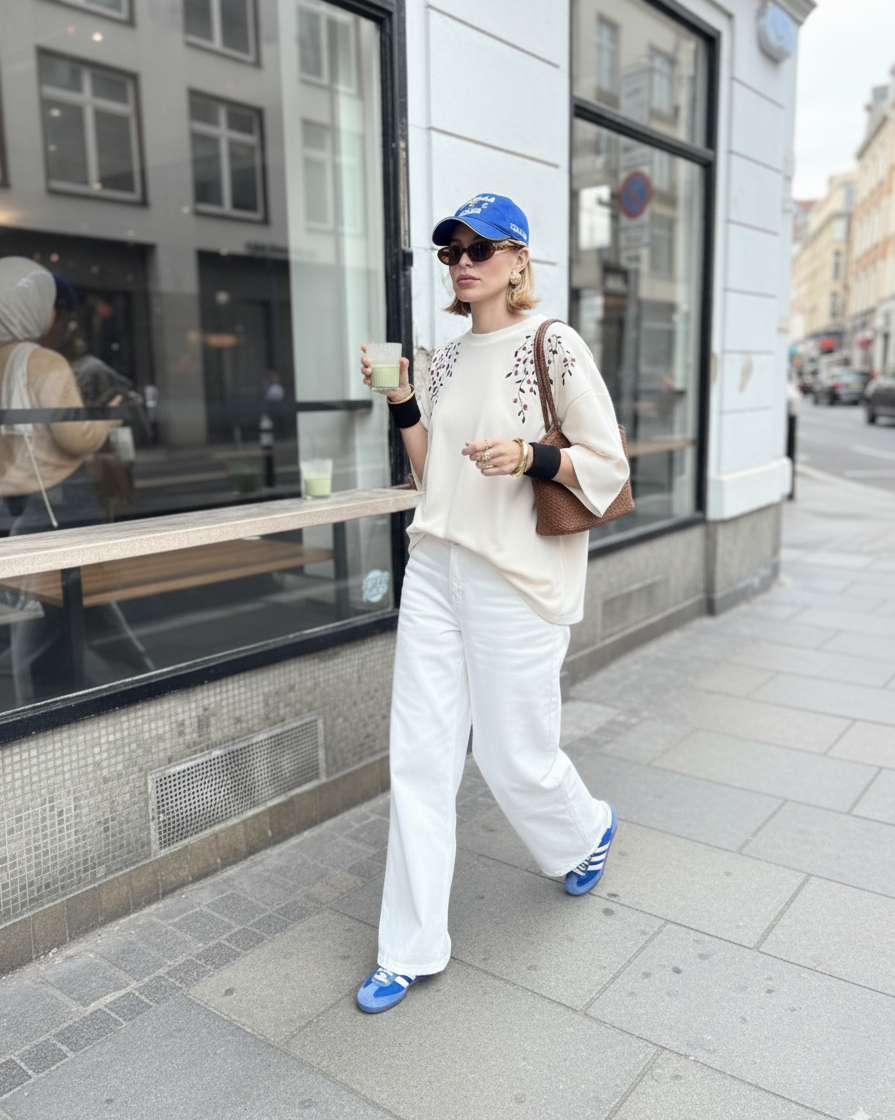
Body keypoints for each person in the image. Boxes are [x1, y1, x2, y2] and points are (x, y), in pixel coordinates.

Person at [356, 194, 630, 1013]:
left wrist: (531, 456)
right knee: (421, 758)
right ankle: (407, 949)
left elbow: (607, 462)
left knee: (512, 756)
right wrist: (405, 398)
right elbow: (430, 473)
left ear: (518, 261)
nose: (464, 260)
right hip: (435, 567)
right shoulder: (442, 360)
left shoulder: (554, 345)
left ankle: (585, 830)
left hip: (515, 576)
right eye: (452, 250)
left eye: (482, 247)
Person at [0, 256, 153, 703]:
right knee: (49, 613)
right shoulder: (43, 362)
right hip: (61, 503)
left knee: (82, 602)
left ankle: (140, 677)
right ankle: (44, 710)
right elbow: (75, 437)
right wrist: (106, 420)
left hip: (17, 500)